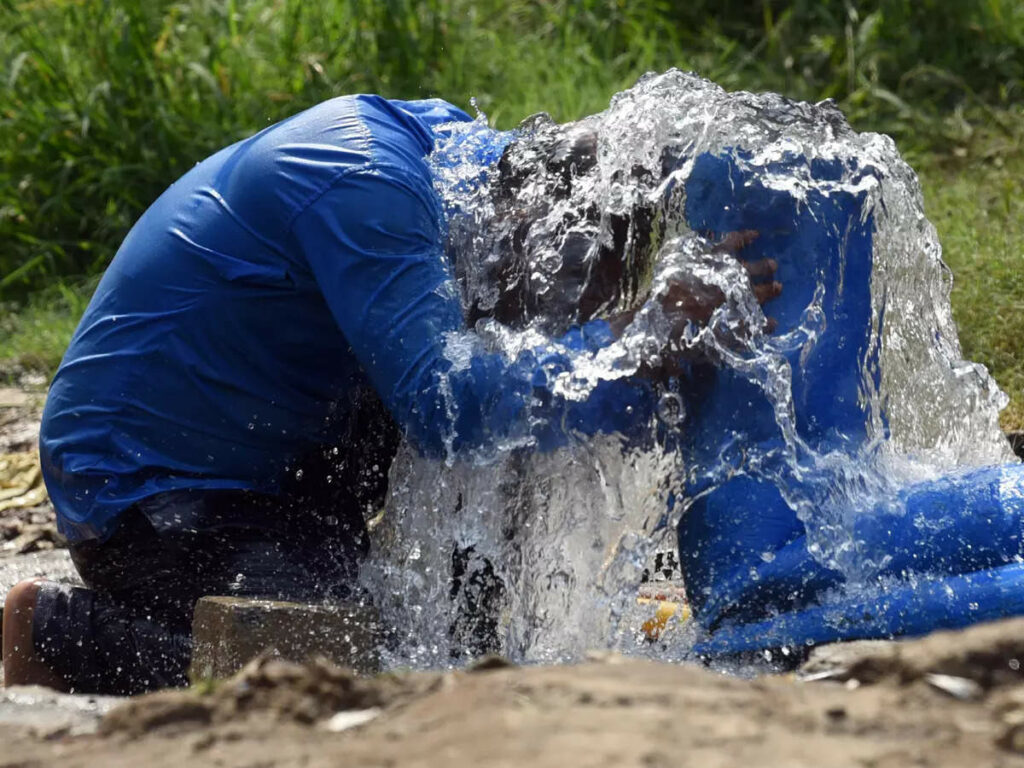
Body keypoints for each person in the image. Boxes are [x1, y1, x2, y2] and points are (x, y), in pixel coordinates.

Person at [2, 95, 778, 694]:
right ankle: (59, 632)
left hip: (282, 458)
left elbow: (551, 400)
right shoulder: (366, 181)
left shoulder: (468, 176)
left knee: (442, 639)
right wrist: (628, 343)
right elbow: (450, 410)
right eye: (552, 300)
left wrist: (675, 362)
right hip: (149, 481)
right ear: (528, 224)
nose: (548, 322)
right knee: (351, 669)